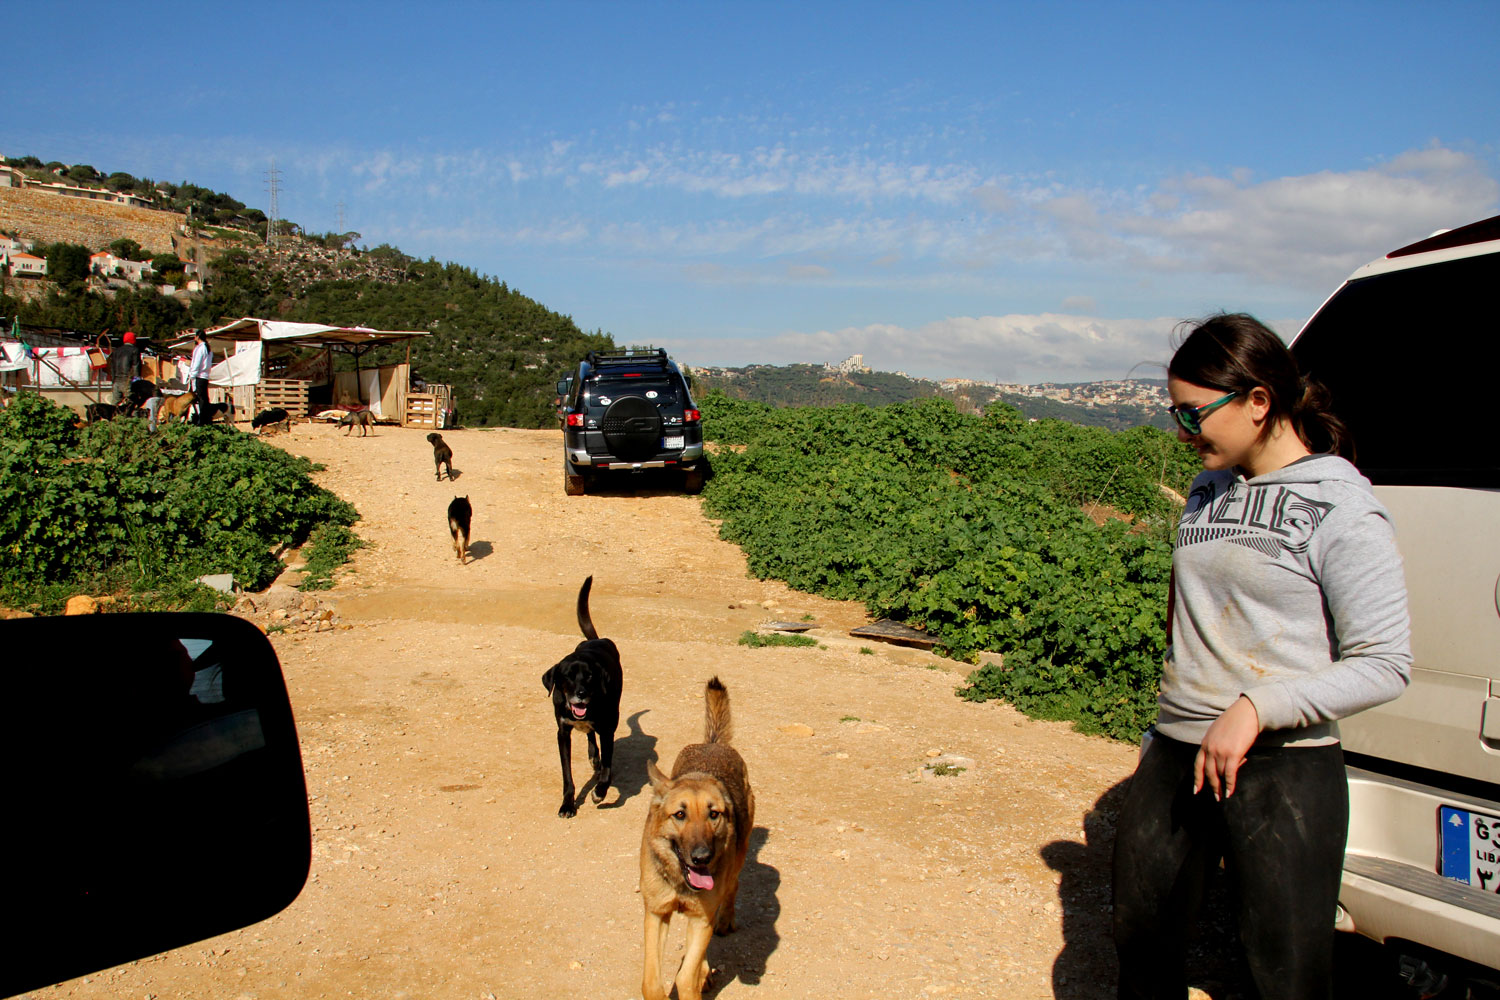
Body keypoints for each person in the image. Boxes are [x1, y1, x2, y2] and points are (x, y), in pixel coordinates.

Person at [1112, 313, 1411, 999]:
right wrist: (1169, 722)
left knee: (1281, 974)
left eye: (1194, 414)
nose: (1183, 433)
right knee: (1143, 949)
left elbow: (1386, 661)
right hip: (1177, 753)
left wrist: (1255, 706)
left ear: (1257, 401)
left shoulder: (1341, 507)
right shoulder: (1207, 489)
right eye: (1175, 413)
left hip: (1284, 768)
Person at [188, 330, 213, 425]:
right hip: (205, 376)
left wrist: (192, 375)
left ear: (197, 337)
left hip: (199, 376)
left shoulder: (200, 348)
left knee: (199, 399)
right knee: (204, 398)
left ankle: (201, 420)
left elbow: (197, 363)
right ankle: (206, 419)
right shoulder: (207, 348)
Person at [109, 331, 140, 406]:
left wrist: (113, 381)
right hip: (127, 381)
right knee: (132, 403)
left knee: (114, 405)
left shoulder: (116, 351)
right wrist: (137, 381)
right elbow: (136, 366)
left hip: (116, 381)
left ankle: (114, 417)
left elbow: (112, 368)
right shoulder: (135, 350)